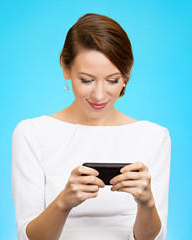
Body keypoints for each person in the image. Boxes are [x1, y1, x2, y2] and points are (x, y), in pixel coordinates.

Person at [12, 13, 171, 240]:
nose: (98, 95)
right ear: (66, 69)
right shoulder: (32, 134)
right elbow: (27, 237)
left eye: (112, 80)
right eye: (86, 80)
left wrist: (146, 202)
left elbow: (154, 238)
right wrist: (63, 202)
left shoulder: (154, 137)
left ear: (126, 76)